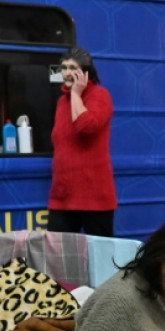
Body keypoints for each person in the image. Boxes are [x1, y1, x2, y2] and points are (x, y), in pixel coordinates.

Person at [48, 47, 116, 237]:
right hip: (62, 197)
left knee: (100, 257)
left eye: (72, 68)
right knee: (56, 255)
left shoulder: (100, 95)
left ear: (85, 72)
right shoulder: (62, 102)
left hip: (94, 198)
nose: (67, 73)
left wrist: (77, 95)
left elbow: (86, 127)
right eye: (64, 67)